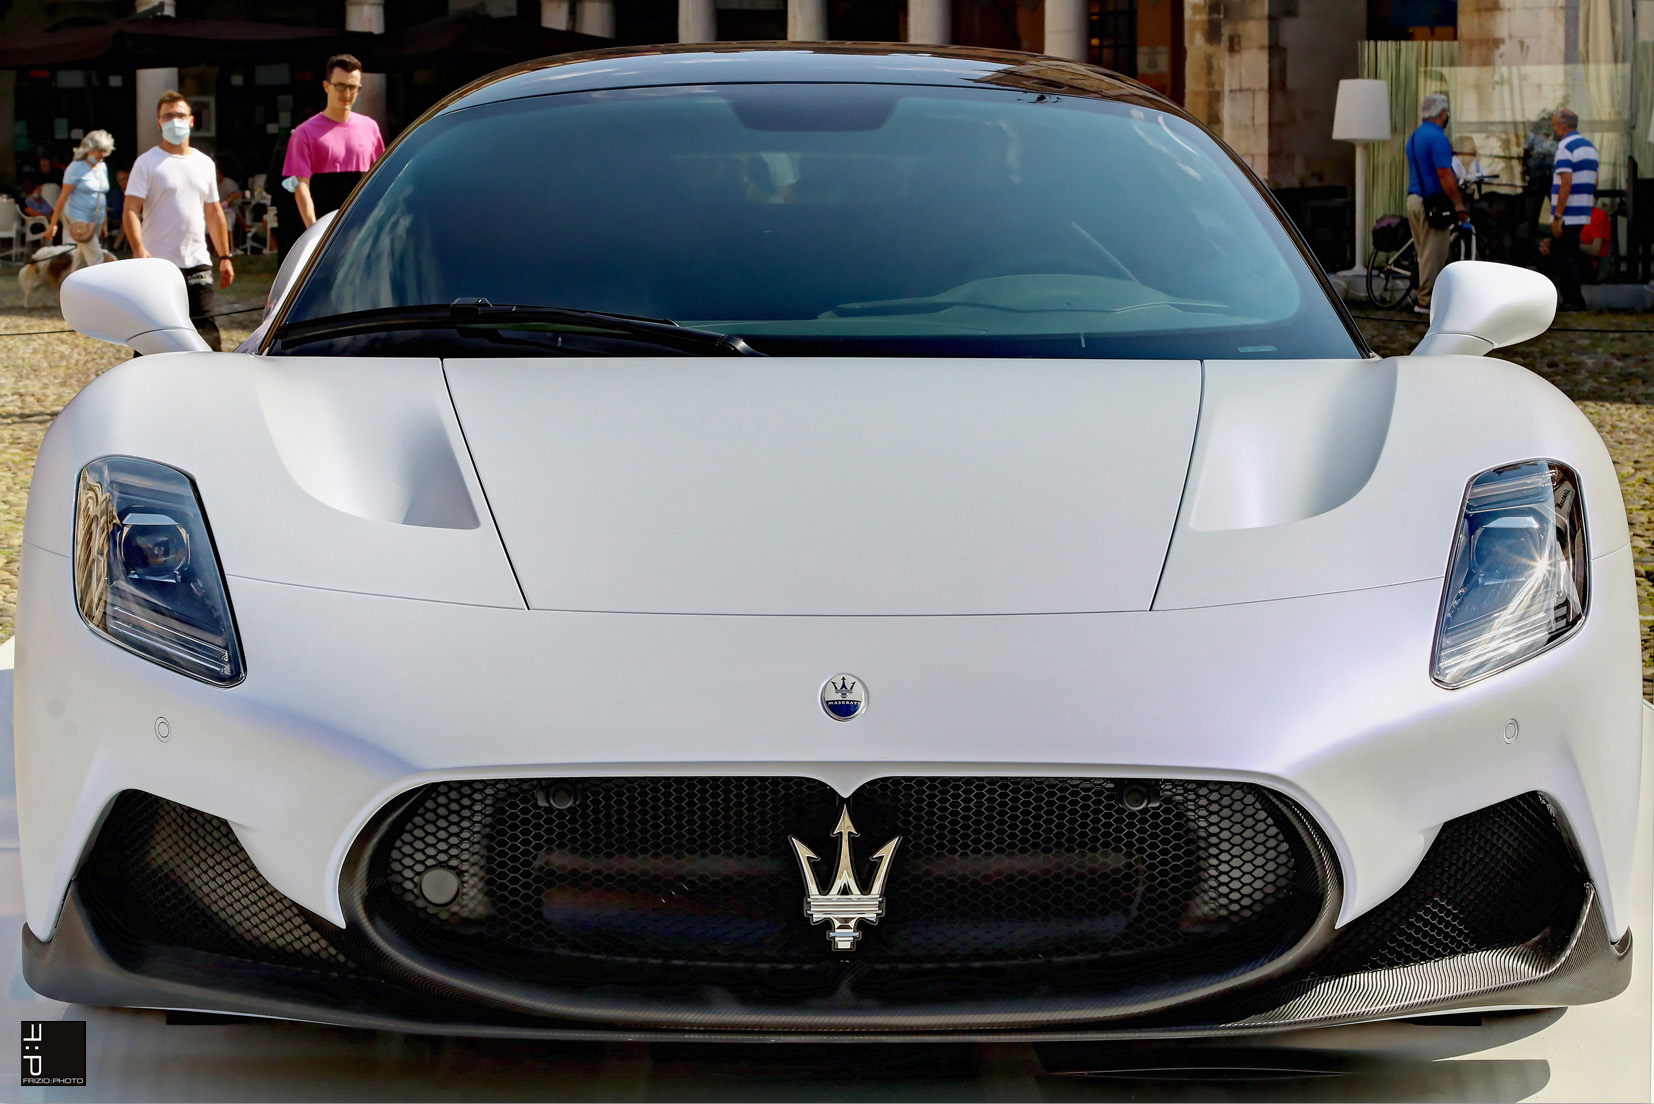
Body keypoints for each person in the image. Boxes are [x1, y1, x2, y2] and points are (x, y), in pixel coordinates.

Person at [124, 90, 235, 350]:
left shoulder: (204, 163)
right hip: (157, 263)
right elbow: (131, 209)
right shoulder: (147, 162)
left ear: (191, 120)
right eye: (168, 116)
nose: (174, 120)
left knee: (206, 334)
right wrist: (138, 248)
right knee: (153, 336)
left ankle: (211, 375)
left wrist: (225, 256)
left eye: (180, 115)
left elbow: (213, 212)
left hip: (197, 262)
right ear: (159, 122)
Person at [283, 53, 384, 228]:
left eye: (353, 87)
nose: (347, 93)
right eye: (340, 86)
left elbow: (380, 180)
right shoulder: (304, 133)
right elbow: (301, 187)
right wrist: (315, 232)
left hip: (363, 227)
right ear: (326, 86)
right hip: (324, 227)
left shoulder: (370, 127)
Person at [1404, 93, 1468, 315]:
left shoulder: (1414, 137)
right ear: (1442, 114)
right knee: (1434, 254)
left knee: (1423, 252)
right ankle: (1426, 301)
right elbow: (1444, 173)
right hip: (1432, 203)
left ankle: (1424, 296)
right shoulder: (1438, 138)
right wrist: (1458, 203)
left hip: (1414, 199)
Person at [1548, 109, 1598, 311]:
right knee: (1570, 253)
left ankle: (1573, 300)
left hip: (1567, 213)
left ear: (1562, 127)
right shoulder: (1590, 147)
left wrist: (1557, 216)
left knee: (1563, 256)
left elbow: (1566, 183)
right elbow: (1595, 180)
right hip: (1582, 209)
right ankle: (1573, 298)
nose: (1554, 130)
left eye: (1554, 126)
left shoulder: (1565, 148)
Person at [46, 130, 114, 254]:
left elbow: (101, 195)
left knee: (81, 256)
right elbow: (63, 196)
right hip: (79, 219)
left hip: (96, 220)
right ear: (89, 149)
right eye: (99, 151)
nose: (103, 154)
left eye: (105, 151)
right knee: (95, 256)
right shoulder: (75, 167)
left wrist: (105, 223)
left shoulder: (102, 167)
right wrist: (53, 224)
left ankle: (75, 268)